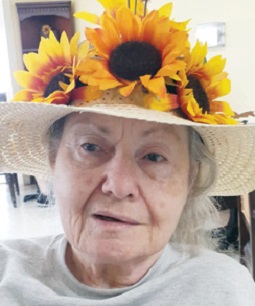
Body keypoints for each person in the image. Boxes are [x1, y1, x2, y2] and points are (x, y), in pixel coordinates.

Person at [0, 1, 255, 304]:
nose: (118, 186)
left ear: (191, 178)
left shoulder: (224, 290)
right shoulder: (7, 275)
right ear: (54, 159)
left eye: (154, 156)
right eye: (91, 147)